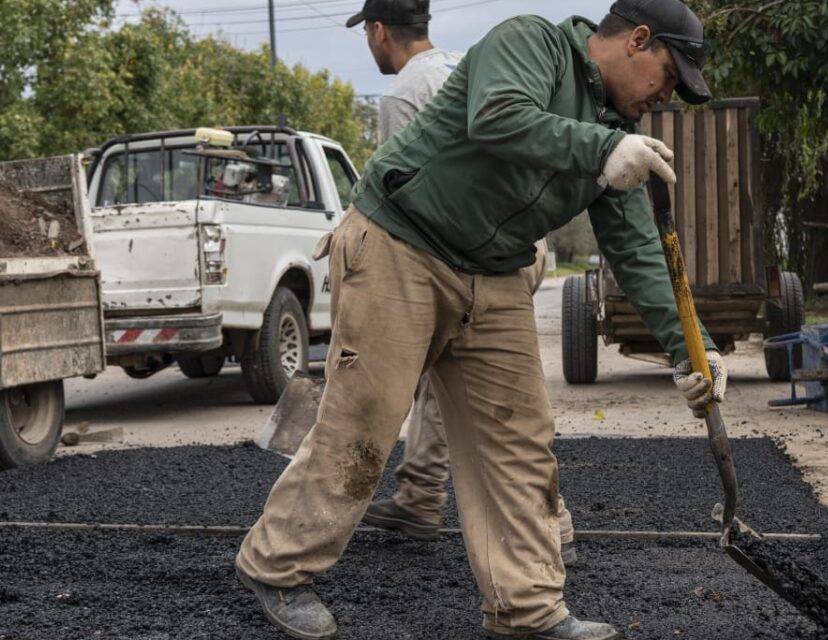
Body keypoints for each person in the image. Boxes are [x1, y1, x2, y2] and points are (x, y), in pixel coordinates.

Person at [235, 1, 726, 638]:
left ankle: (526, 608)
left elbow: (636, 251)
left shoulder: (613, 127)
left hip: (491, 272)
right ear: (636, 40)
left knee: (519, 441)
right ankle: (278, 565)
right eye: (666, 75)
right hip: (400, 243)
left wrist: (697, 349)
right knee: (365, 421)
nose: (662, 96)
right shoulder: (532, 44)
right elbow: (498, 116)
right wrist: (603, 146)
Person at [345, 0, 579, 566]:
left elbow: (408, 191)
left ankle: (551, 526)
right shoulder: (462, 63)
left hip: (468, 245)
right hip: (523, 241)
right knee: (457, 381)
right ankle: (422, 497)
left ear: (378, 32)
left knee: (489, 393)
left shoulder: (403, 94)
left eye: (367, 34)